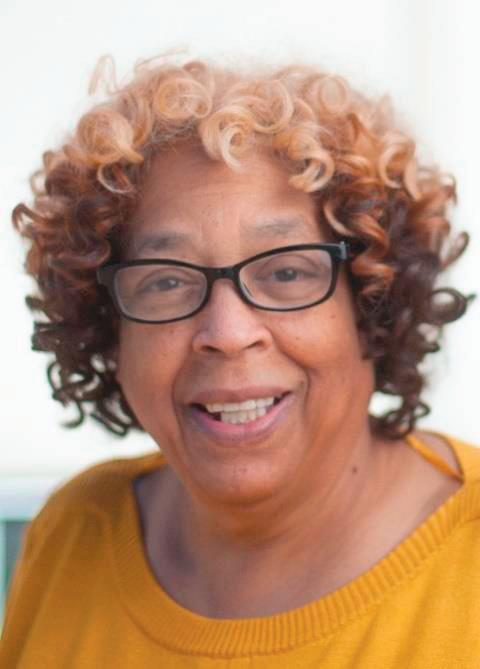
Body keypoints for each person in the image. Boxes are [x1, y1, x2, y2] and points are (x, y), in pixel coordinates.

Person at [1, 54, 479, 668]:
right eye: (166, 281)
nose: (227, 334)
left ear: (373, 308)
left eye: (286, 272)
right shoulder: (73, 535)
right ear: (110, 332)